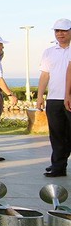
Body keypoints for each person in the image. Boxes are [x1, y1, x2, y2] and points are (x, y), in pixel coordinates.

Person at [37, 19, 71, 177]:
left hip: (69, 98)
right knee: (56, 134)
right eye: (57, 31)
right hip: (54, 99)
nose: (60, 34)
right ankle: (58, 165)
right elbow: (45, 75)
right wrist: (40, 96)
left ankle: (60, 161)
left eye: (63, 30)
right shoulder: (49, 52)